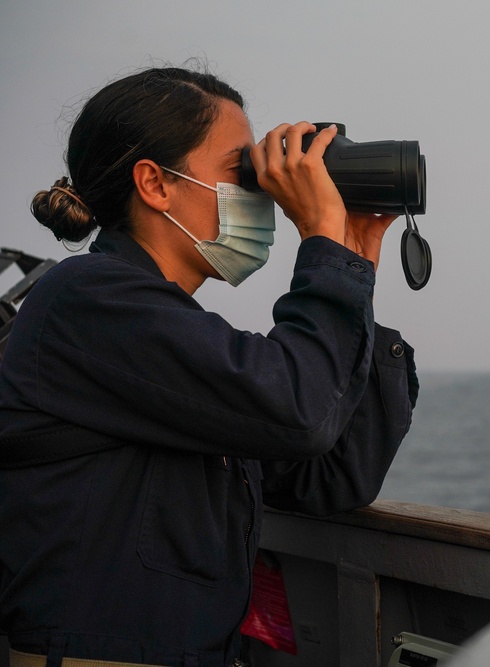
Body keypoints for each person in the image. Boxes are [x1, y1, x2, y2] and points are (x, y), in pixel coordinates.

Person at [0, 66, 418, 667]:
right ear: (155, 183)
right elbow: (298, 410)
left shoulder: (165, 332)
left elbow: (327, 478)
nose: (263, 193)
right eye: (241, 171)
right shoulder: (87, 300)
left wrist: (353, 265)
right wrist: (322, 249)